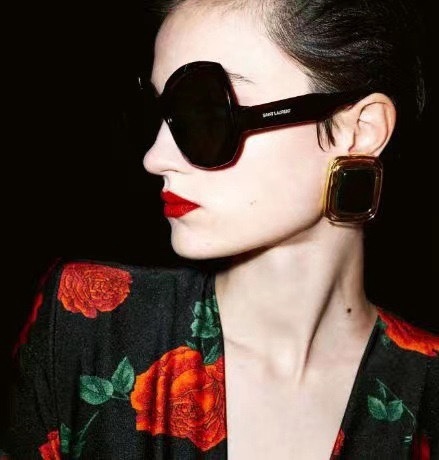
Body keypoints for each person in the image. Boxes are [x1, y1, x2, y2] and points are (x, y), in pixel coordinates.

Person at [1, 0, 437, 458]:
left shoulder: (429, 393)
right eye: (159, 113)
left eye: (209, 112)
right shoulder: (88, 327)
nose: (155, 158)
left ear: (359, 130)